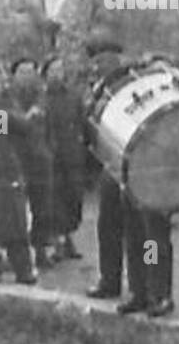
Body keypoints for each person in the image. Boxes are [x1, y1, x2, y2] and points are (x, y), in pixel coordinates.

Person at [83, 36, 128, 301]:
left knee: (142, 236)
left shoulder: (129, 82)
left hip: (134, 165)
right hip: (109, 165)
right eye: (97, 61)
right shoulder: (96, 88)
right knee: (108, 228)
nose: (100, 65)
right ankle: (109, 280)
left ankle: (147, 288)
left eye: (105, 60)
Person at [0, 56, 36, 286]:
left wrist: (2, 112)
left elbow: (7, 132)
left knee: (15, 222)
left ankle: (22, 269)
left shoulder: (1, 105)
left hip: (4, 170)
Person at [7, 57, 56, 270]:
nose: (27, 77)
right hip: (14, 161)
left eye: (31, 72)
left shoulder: (43, 98)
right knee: (13, 211)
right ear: (14, 76)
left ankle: (41, 251)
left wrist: (50, 151)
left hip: (40, 159)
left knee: (42, 208)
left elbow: (50, 127)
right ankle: (14, 256)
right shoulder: (5, 100)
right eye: (22, 72)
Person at [42, 54, 87, 261]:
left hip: (73, 156)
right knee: (55, 202)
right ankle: (59, 243)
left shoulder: (74, 96)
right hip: (50, 158)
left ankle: (68, 238)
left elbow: (83, 123)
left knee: (74, 200)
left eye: (60, 70)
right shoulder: (41, 98)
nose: (58, 74)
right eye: (53, 70)